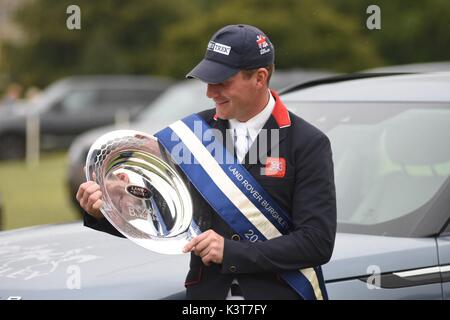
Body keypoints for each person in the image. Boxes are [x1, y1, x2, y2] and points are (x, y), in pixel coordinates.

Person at [77, 24, 336, 300]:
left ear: (260, 78)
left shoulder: (307, 142)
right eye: (207, 81)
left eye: (222, 81)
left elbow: (316, 243)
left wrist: (232, 252)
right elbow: (165, 224)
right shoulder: (191, 135)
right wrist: (109, 207)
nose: (210, 92)